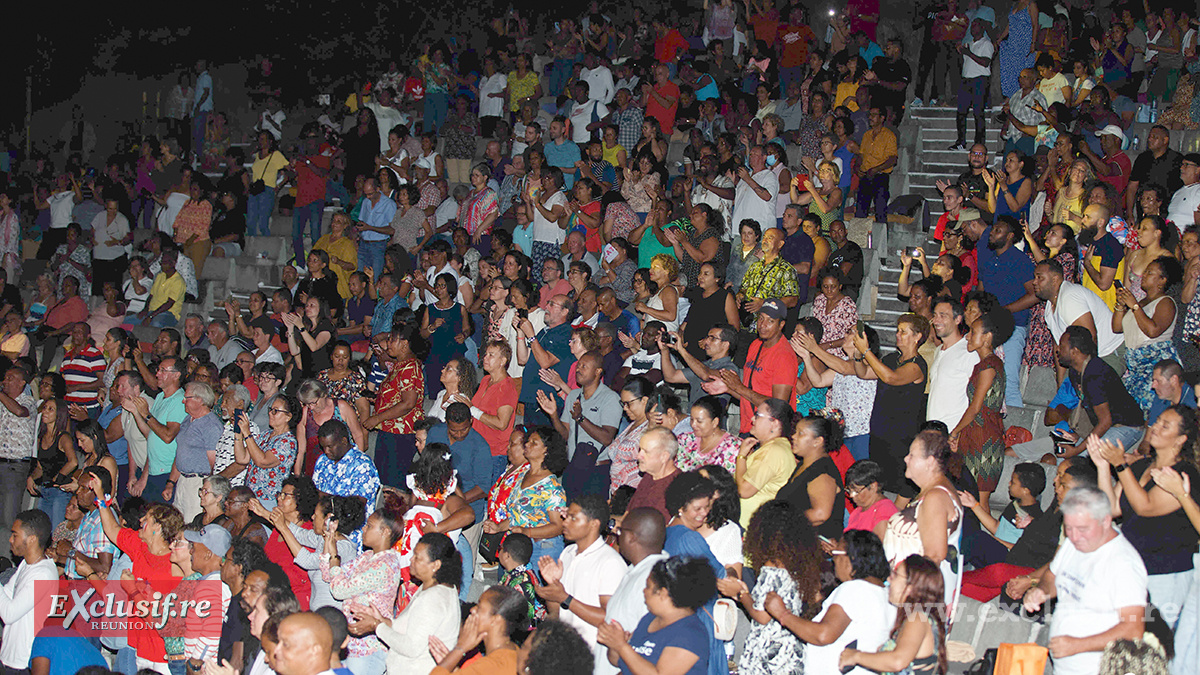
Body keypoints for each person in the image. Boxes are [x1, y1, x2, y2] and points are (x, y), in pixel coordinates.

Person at [1087, 404, 1199, 627]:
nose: (1155, 427)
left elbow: (1145, 507)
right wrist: (1102, 466)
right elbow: (1111, 508)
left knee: (1150, 641)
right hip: (1132, 568)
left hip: (1164, 573)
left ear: (1180, 439)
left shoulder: (1185, 475)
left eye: (1165, 426)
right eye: (1157, 422)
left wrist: (1120, 465)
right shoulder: (1142, 466)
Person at [1022, 486, 1147, 675]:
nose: (1073, 536)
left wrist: (1077, 645)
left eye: (1082, 529)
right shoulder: (1074, 542)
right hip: (1065, 665)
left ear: (1106, 521)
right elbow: (1052, 575)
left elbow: (1133, 629)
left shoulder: (1123, 563)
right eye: (1068, 528)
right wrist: (1042, 590)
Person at [717, 499, 821, 675]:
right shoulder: (800, 565)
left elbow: (762, 616)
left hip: (769, 650)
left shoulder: (772, 566)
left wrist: (742, 594)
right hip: (791, 647)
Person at [535, 494, 628, 668]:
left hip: (593, 657)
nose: (564, 522)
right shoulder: (568, 553)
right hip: (565, 651)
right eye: (566, 516)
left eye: (573, 518)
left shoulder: (610, 562)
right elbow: (557, 610)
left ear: (594, 524)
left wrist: (565, 598)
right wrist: (552, 586)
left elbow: (611, 619)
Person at [349, 532, 461, 675]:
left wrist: (376, 626)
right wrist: (381, 620)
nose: (411, 559)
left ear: (435, 565)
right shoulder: (430, 587)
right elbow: (409, 630)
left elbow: (411, 647)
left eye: (417, 558)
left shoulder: (434, 598)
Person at [883, 430, 965, 612]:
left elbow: (934, 556)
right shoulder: (932, 492)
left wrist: (905, 590)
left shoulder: (935, 497)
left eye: (912, 455)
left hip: (917, 597)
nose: (905, 459)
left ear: (930, 462)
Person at [596, 556, 715, 675]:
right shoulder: (649, 619)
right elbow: (619, 662)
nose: (644, 591)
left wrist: (622, 646)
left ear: (662, 593)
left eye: (648, 586)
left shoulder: (690, 634)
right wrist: (615, 643)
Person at [321, 507, 404, 675]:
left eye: (369, 526)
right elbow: (328, 575)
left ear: (385, 532)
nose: (363, 529)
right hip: (352, 643)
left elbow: (339, 590)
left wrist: (335, 559)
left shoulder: (386, 565)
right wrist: (329, 543)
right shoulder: (367, 557)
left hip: (368, 648)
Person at [855, 313, 929, 495]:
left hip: (899, 438)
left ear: (917, 336)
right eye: (897, 330)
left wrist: (866, 351)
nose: (898, 334)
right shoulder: (891, 359)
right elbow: (863, 373)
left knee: (898, 487)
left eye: (903, 332)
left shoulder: (917, 365)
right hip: (879, 432)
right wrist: (858, 356)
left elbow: (891, 378)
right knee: (878, 484)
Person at [838, 554, 948, 675]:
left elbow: (898, 661)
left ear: (911, 588)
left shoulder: (917, 618)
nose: (889, 579)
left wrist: (856, 656)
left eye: (895, 575)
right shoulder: (916, 617)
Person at [952, 308, 1013, 506]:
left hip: (984, 439)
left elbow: (975, 407)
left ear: (987, 337)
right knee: (967, 497)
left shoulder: (989, 365)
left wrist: (954, 432)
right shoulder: (985, 364)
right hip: (975, 435)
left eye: (973, 332)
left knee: (979, 500)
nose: (968, 336)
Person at [1056, 326, 1145, 459]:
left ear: (1074, 351)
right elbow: (1091, 410)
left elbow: (1105, 421)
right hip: (1108, 426)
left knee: (1080, 460)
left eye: (1061, 346)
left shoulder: (1095, 374)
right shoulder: (1076, 371)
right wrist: (1078, 436)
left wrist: (1077, 450)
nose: (1057, 349)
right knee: (1064, 460)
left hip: (1126, 427)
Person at [1114, 254, 1182, 412]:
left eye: (1150, 273)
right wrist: (1120, 304)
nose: (1143, 276)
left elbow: (1153, 330)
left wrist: (1134, 307)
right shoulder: (1139, 303)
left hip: (1154, 368)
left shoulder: (1165, 302)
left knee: (1149, 415)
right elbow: (1117, 327)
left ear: (1162, 280)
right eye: (1145, 272)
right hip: (1136, 370)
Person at [364, 323, 425, 484]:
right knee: (383, 479)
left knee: (393, 483)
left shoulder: (410, 367)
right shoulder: (401, 366)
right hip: (390, 429)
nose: (388, 343)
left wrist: (377, 418)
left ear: (404, 344)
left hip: (400, 433)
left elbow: (408, 403)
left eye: (392, 340)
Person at [427, 585, 526, 675]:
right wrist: (450, 664)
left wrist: (460, 648)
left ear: (495, 620)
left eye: (479, 607)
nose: (472, 610)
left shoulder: (493, 665)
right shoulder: (513, 651)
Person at [778, 415, 845, 540]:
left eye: (801, 433)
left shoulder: (822, 472)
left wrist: (783, 521)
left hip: (813, 549)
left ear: (817, 441)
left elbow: (820, 514)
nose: (793, 436)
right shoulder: (805, 464)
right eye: (795, 432)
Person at [734, 398, 796, 528]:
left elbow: (744, 491)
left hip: (752, 526)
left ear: (774, 423)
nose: (752, 419)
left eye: (757, 416)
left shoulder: (773, 451)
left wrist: (741, 457)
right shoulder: (777, 447)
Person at [233, 393, 298, 508]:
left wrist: (247, 433)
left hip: (268, 500)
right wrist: (239, 433)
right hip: (251, 497)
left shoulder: (288, 442)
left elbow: (262, 461)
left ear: (288, 417)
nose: (270, 413)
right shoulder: (264, 435)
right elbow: (242, 458)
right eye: (270, 409)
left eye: (275, 411)